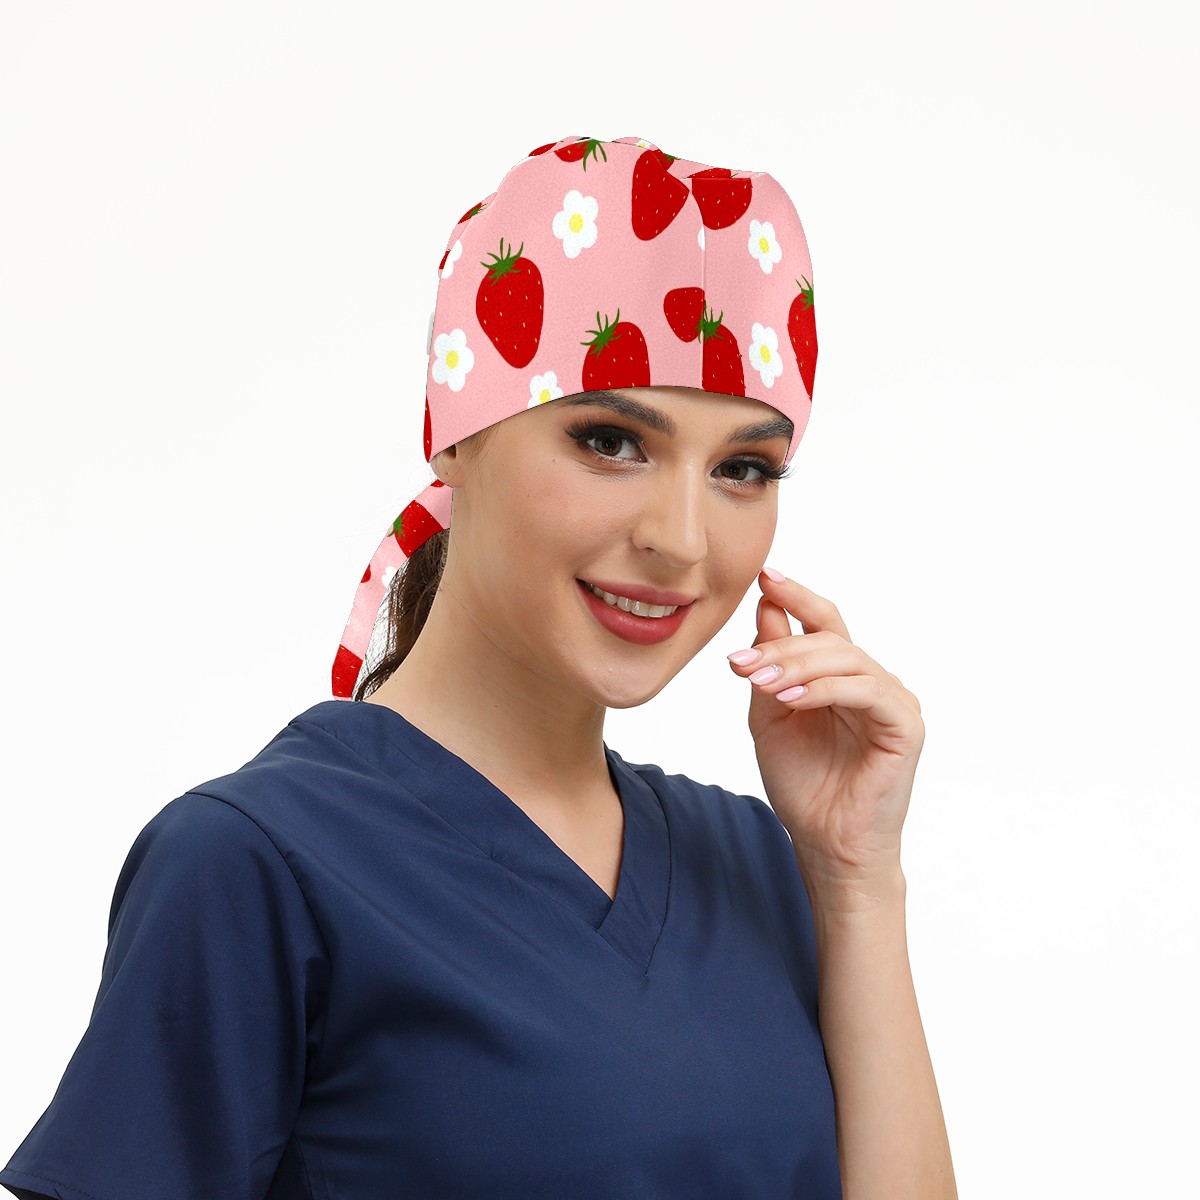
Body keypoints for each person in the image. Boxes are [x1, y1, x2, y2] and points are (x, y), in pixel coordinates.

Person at [1, 135, 956, 1199]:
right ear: (457, 435)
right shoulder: (253, 865)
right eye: (611, 441)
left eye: (743, 468)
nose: (682, 540)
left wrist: (856, 879)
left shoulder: (752, 860)